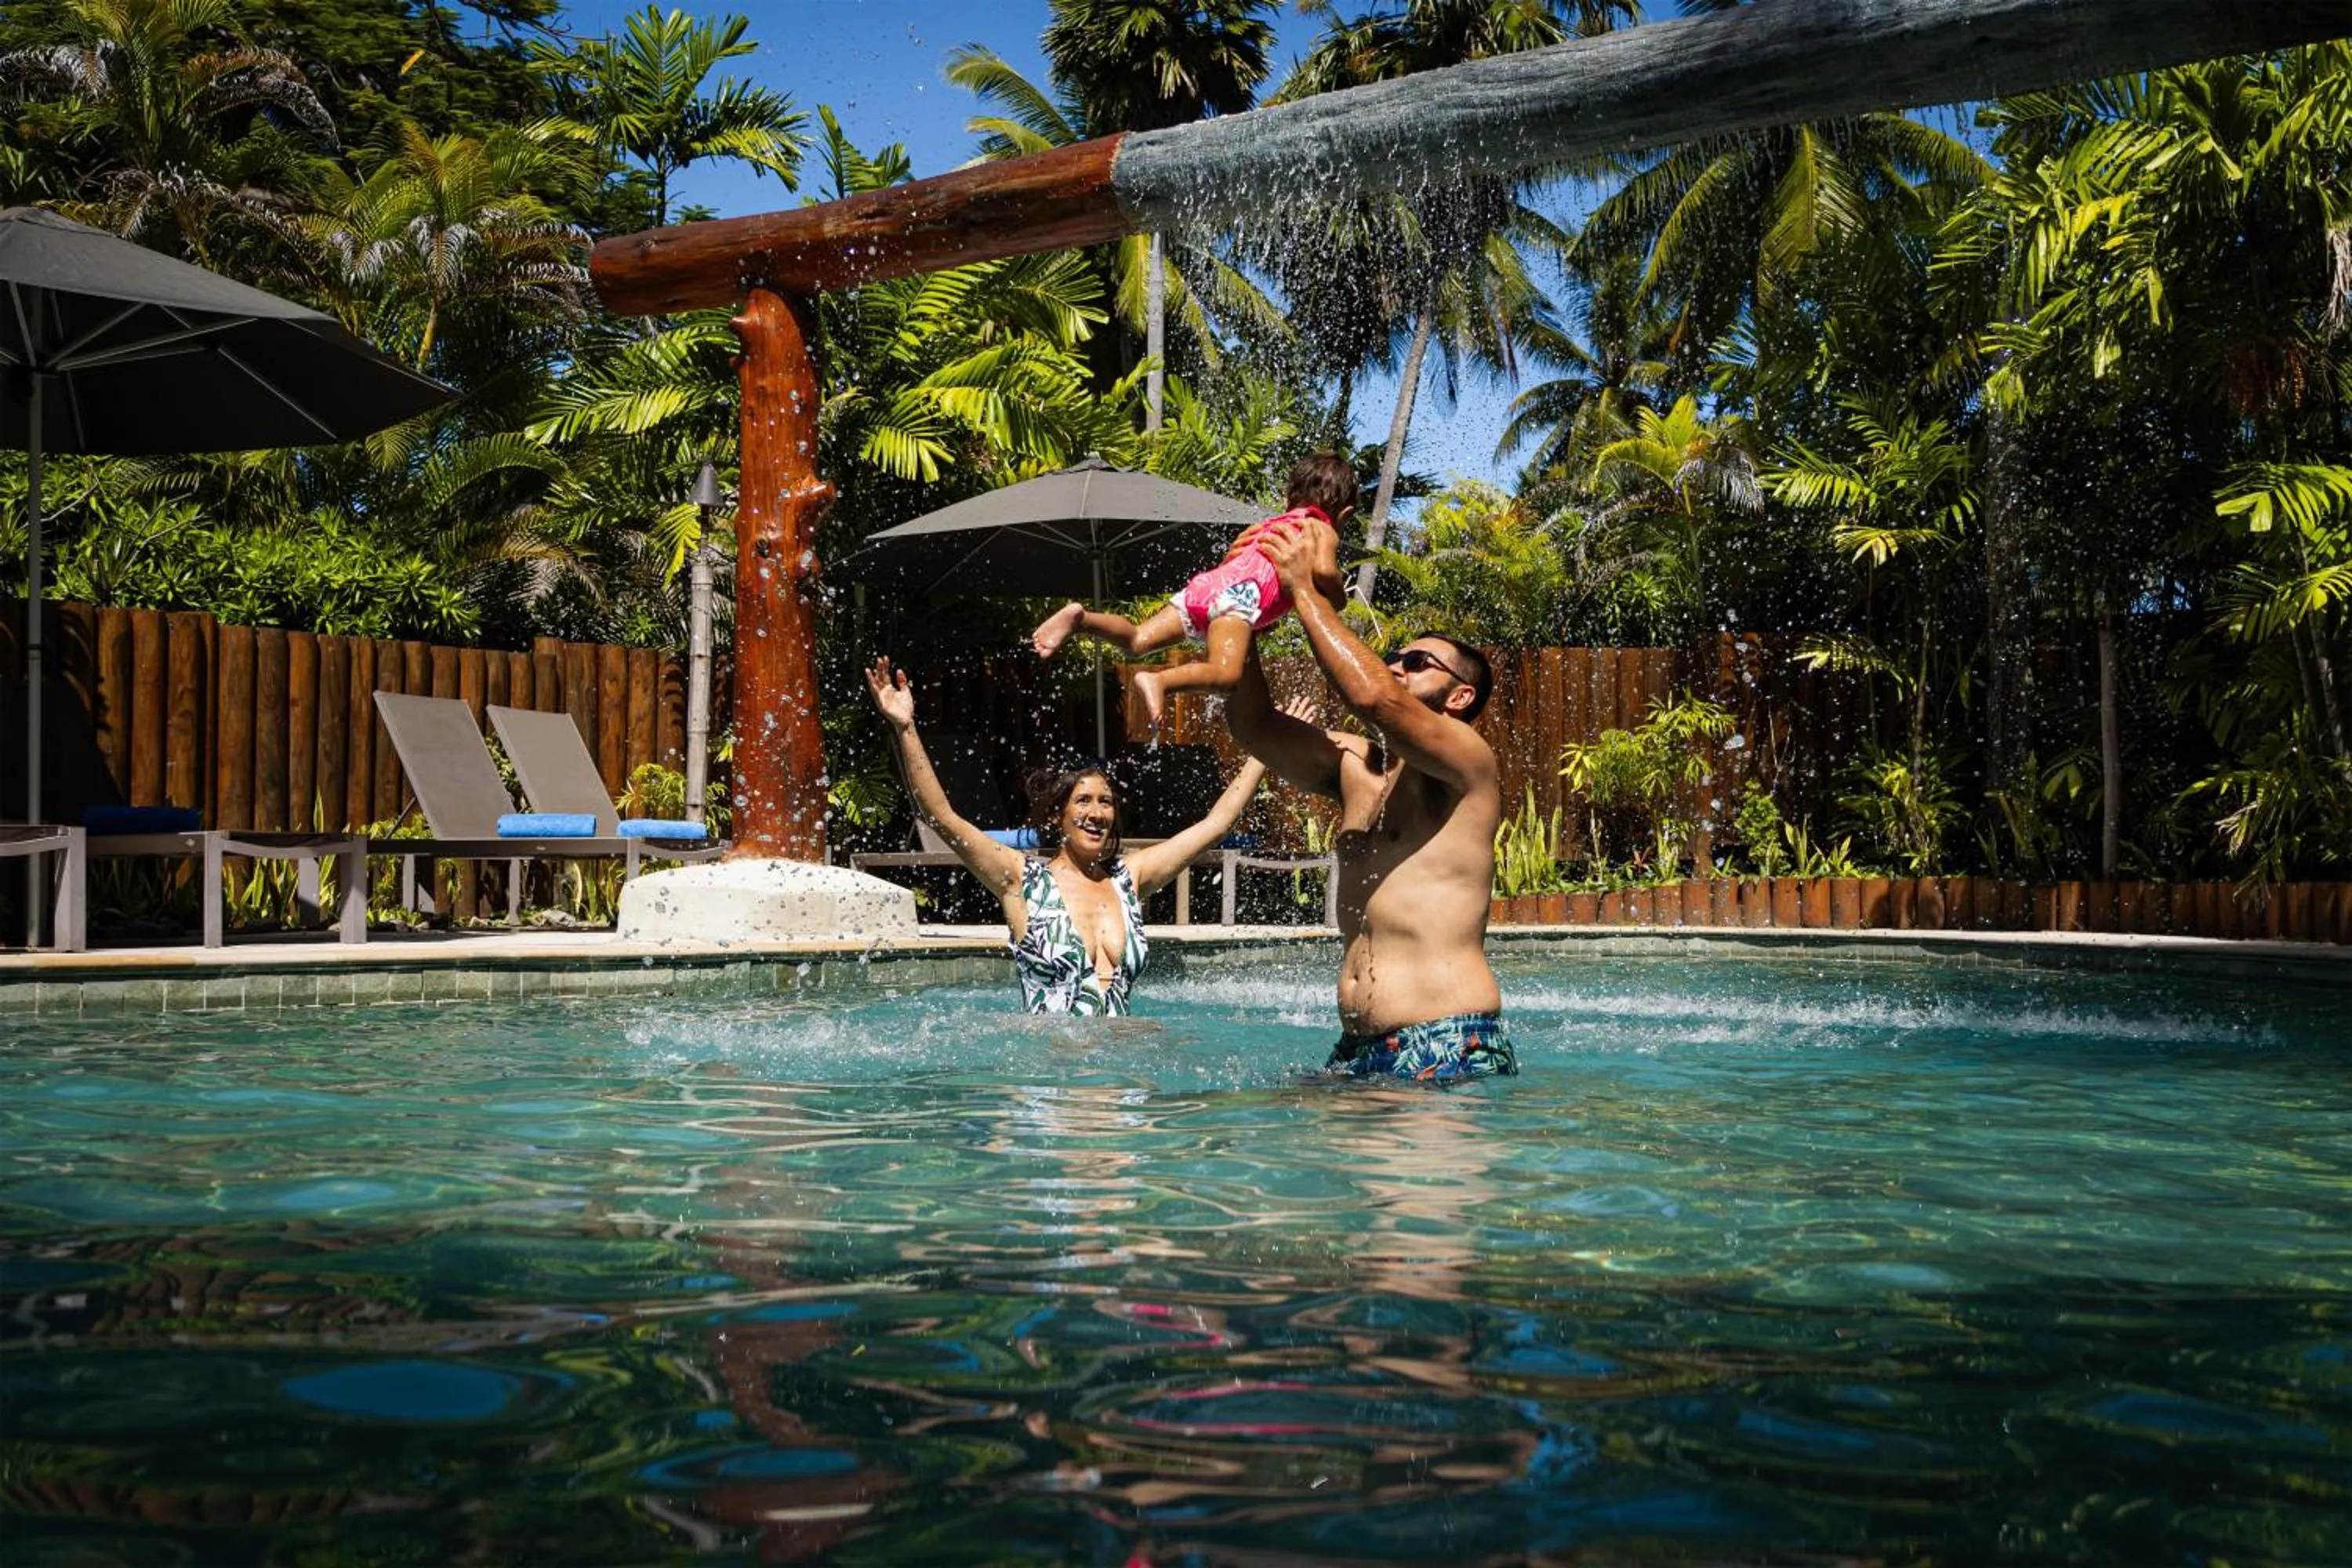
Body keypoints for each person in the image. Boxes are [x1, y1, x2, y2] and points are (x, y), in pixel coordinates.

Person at [1223, 517, 1515, 1083]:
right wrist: (1243, 607)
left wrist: (1303, 588)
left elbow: (1373, 697)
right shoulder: (1359, 767)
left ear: (1460, 695)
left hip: (1441, 1038)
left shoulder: (1467, 763)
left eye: (1417, 663)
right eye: (1396, 656)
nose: (1396, 666)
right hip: (1357, 1049)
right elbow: (1253, 726)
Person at [863, 655, 1302, 1017]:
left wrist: (1267, 747)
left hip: (1122, 1074)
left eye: (1106, 802)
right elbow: (942, 817)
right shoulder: (1022, 881)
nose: (1096, 813)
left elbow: (1215, 825)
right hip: (1053, 1082)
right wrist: (905, 727)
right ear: (1059, 817)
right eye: (1084, 801)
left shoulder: (1129, 879)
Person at [1029, 452, 1359, 727]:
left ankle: (1081, 619)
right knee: (1226, 675)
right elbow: (1326, 571)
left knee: (1137, 640)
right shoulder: (1321, 529)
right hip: (1237, 598)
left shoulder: (1264, 526)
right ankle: (1160, 680)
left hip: (1208, 585)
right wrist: (1340, 598)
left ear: (1290, 495)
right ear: (1344, 513)